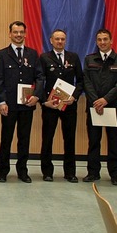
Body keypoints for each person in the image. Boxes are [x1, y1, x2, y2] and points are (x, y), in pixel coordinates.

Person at [0, 21, 45, 183]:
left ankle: (22, 171)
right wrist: (1, 102)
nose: (18, 35)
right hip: (8, 105)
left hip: (27, 104)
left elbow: (40, 77)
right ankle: (2, 171)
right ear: (10, 34)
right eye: (15, 32)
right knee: (6, 139)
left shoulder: (32, 53)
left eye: (21, 32)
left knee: (24, 139)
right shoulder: (2, 54)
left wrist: (37, 96)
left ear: (25, 34)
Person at [83, 29, 117, 186]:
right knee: (94, 141)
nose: (102, 42)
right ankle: (92, 172)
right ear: (96, 42)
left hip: (112, 107)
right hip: (94, 107)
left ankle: (115, 174)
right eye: (99, 40)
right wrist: (96, 101)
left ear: (111, 41)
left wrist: (106, 100)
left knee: (114, 142)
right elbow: (86, 82)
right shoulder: (89, 60)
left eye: (105, 39)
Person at [38, 29, 84, 183]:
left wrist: (75, 96)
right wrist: (44, 101)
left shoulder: (74, 57)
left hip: (69, 105)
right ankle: (47, 172)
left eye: (62, 39)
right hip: (51, 106)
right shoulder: (44, 58)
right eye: (57, 39)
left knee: (69, 139)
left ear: (66, 41)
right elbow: (39, 81)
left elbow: (81, 81)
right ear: (51, 40)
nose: (59, 41)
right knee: (47, 139)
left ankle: (70, 173)